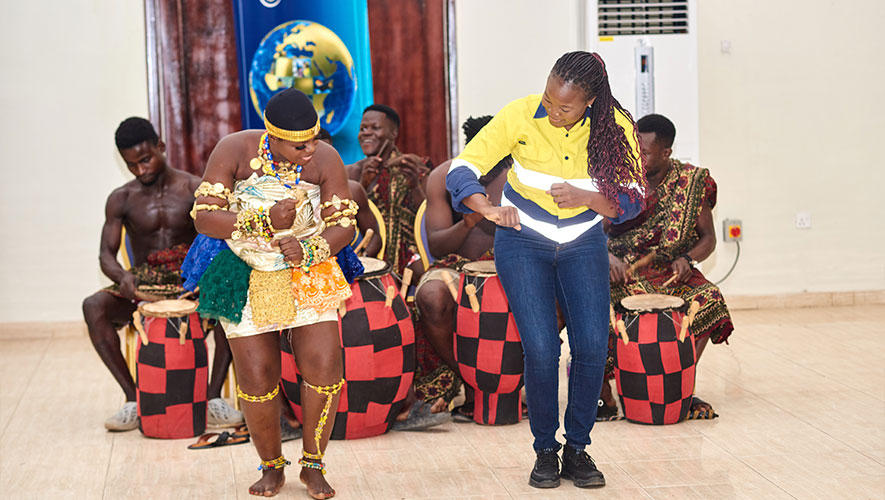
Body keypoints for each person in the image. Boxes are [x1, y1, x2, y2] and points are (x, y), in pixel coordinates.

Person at [446, 51, 646, 489]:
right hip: (523, 241)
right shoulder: (520, 114)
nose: (553, 112)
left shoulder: (615, 127)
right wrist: (486, 207)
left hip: (583, 241)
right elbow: (463, 167)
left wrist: (587, 198)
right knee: (540, 349)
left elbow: (633, 197)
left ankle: (577, 448)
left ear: (590, 102)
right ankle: (544, 450)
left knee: (592, 346)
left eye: (565, 108)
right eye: (549, 100)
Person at [191, 89, 354, 498]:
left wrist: (310, 249)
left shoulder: (326, 158)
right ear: (273, 136)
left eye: (313, 139)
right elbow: (205, 218)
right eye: (300, 145)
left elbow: (344, 225)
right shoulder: (233, 149)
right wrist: (264, 220)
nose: (310, 149)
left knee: (324, 370)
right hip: (245, 271)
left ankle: (313, 465)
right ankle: (271, 467)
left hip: (308, 270)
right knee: (258, 377)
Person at [82, 117, 242, 432]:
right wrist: (122, 277)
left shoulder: (194, 188)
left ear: (161, 146)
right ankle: (134, 399)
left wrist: (206, 276)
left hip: (190, 279)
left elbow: (222, 240)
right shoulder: (121, 198)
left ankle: (212, 399)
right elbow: (105, 255)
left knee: (231, 299)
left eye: (145, 159)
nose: (140, 170)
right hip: (145, 281)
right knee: (93, 306)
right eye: (131, 164)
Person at [603, 113, 733, 419]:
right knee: (606, 310)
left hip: (667, 272)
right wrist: (607, 257)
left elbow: (708, 238)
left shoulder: (691, 182)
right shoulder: (618, 181)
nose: (637, 157)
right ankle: (613, 390)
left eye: (645, 153)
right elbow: (592, 230)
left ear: (666, 153)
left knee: (709, 299)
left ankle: (678, 385)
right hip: (621, 271)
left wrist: (688, 259)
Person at [415, 116, 511, 418]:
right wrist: (468, 223)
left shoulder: (523, 174)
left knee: (558, 293)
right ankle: (472, 379)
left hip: (512, 262)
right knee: (431, 296)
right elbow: (438, 245)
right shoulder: (443, 177)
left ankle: (513, 380)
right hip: (456, 266)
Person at [346, 104, 430, 276]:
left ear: (394, 133)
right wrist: (363, 184)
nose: (367, 133)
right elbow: (346, 219)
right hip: (368, 253)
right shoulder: (352, 172)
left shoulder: (412, 165)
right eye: (363, 129)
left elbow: (429, 217)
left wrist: (414, 186)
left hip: (411, 255)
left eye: (375, 127)